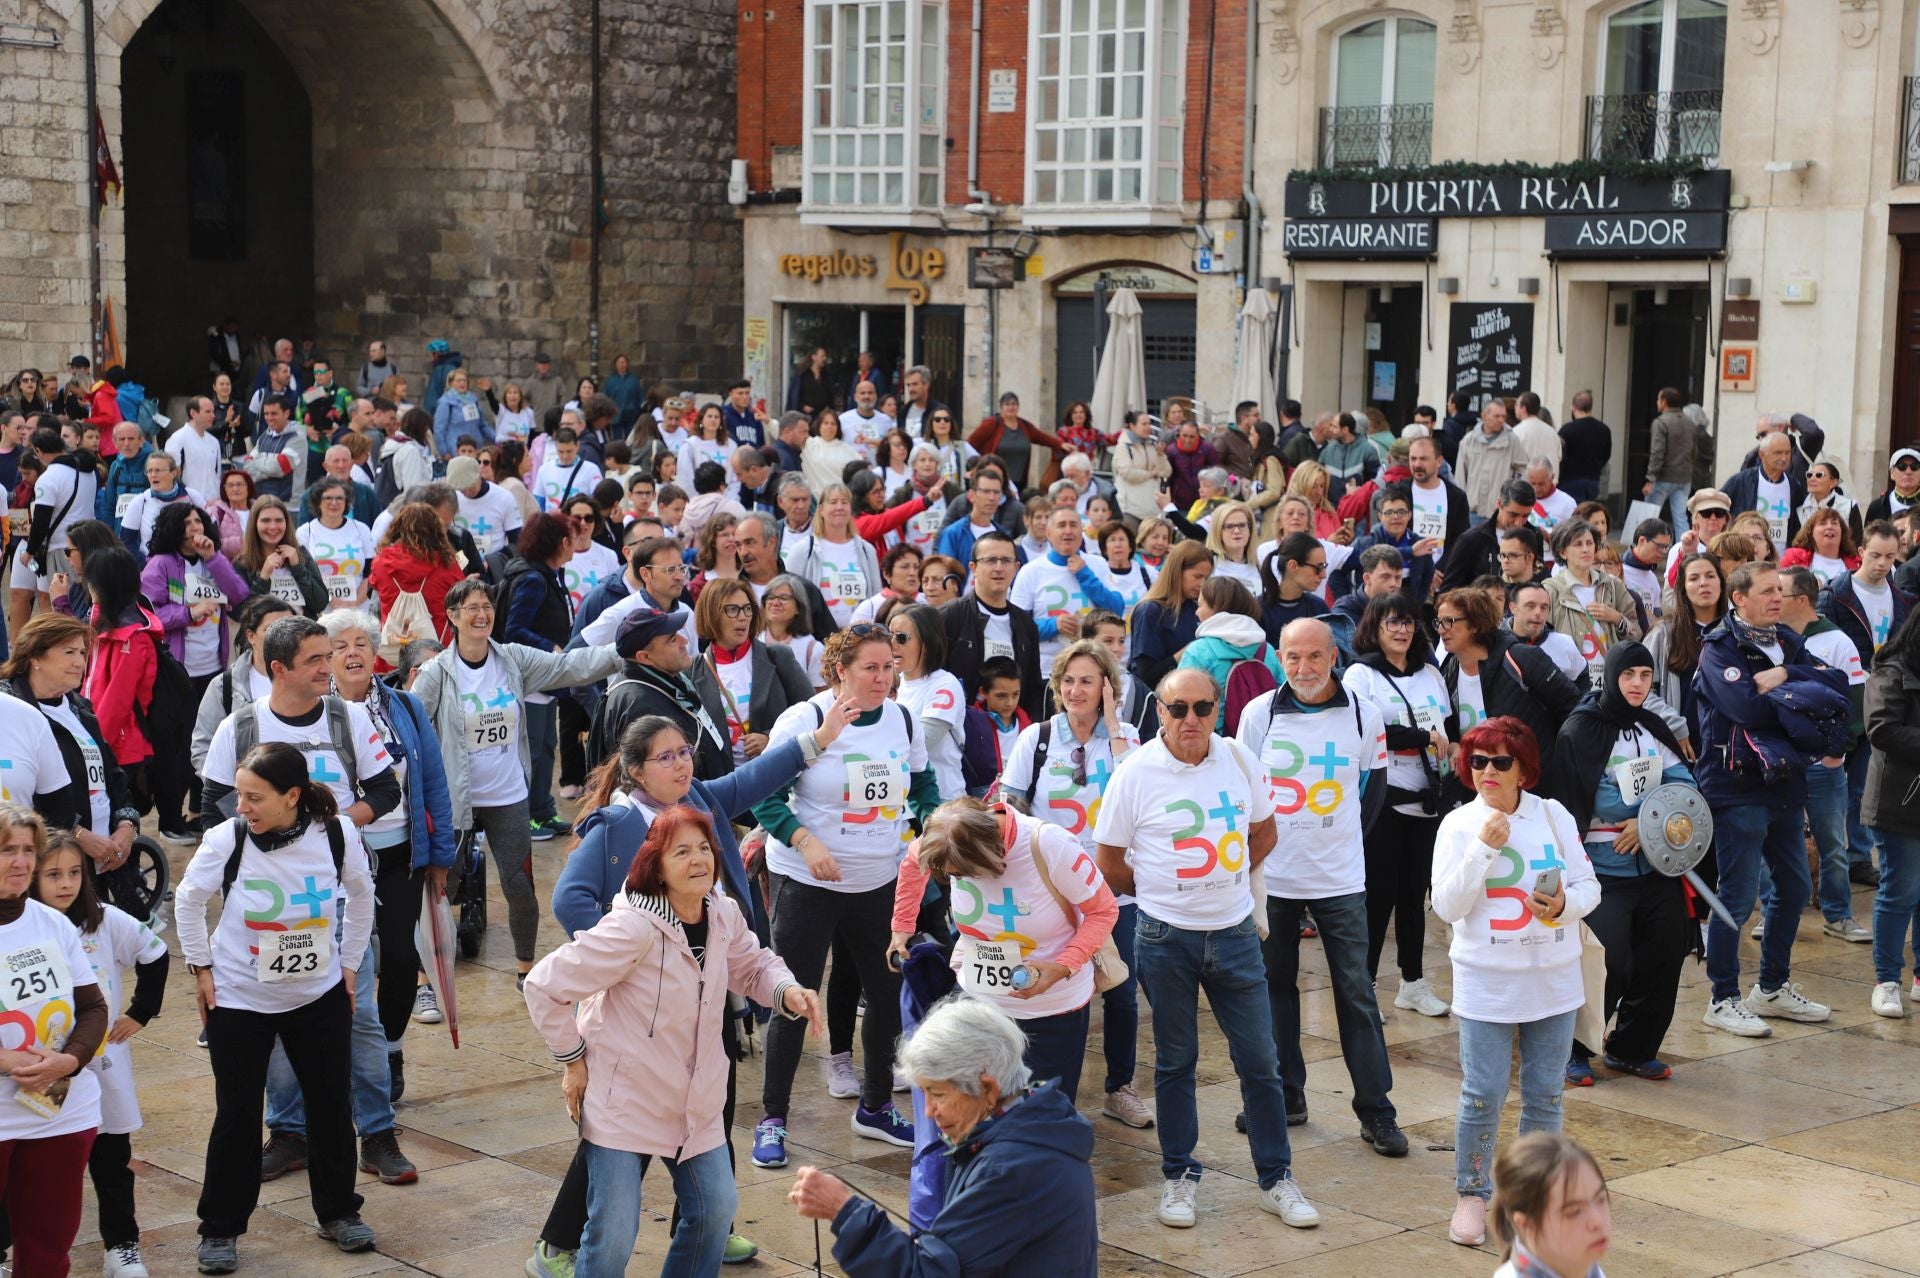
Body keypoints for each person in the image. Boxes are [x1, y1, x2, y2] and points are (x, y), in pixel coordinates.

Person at [524, 802, 821, 1278]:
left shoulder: (722, 914)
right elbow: (543, 985)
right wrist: (573, 1059)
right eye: (681, 851)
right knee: (613, 1233)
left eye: (704, 848)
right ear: (656, 867)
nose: (698, 859)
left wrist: (788, 990)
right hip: (625, 1101)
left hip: (696, 1101)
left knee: (714, 1211)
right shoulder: (631, 928)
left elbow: (753, 965)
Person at [1092, 666, 1320, 1229]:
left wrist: (1228, 878)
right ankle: (1178, 1177)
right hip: (1165, 937)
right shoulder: (1135, 773)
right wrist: (1163, 890)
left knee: (1261, 1062)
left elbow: (1265, 830)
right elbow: (1110, 860)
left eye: (1203, 708)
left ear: (1218, 710)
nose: (1191, 719)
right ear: (1160, 713)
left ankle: (1276, 1177)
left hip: (1236, 932)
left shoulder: (1240, 759)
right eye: (1178, 709)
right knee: (1175, 1062)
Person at [747, 626, 943, 1169]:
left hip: (878, 880)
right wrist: (804, 841)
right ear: (840, 671)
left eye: (890, 668)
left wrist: (931, 822)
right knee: (794, 996)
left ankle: (876, 1106)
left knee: (886, 994)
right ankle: (773, 1118)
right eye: (870, 669)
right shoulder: (807, 719)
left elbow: (922, 783)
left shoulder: (902, 719)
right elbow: (761, 791)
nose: (883, 679)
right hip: (805, 882)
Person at [177, 743, 377, 1273]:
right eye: (239, 794)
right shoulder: (229, 837)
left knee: (332, 1107)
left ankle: (338, 1213)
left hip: (318, 997)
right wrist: (201, 967)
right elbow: (187, 898)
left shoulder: (336, 834)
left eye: (254, 797)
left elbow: (361, 895)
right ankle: (219, 1229)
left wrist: (350, 963)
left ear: (292, 796)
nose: (242, 806)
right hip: (240, 999)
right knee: (238, 1116)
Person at [1237, 618, 1406, 1154]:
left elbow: (1372, 793)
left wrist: (1334, 841)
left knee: (1356, 992)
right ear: (1279, 659)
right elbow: (1244, 792)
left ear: (1333, 656)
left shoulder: (1363, 711)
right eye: (1292, 657)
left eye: (1314, 656)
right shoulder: (1258, 714)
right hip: (1276, 878)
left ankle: (1377, 1111)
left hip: (1339, 878)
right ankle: (1286, 1096)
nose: (1304, 668)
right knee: (1274, 988)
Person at [1431, 716, 1598, 1248]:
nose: (1488, 771)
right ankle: (1472, 1195)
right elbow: (1448, 906)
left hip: (1553, 980)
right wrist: (1483, 848)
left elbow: (1588, 884)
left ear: (1523, 769)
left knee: (1546, 1097)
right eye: (1478, 761)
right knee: (1482, 1095)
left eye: (1501, 761)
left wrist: (1564, 905)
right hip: (1487, 982)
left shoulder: (1553, 816)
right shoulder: (1458, 825)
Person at [410, 579, 625, 986]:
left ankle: (525, 971)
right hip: (454, 801)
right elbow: (413, 727)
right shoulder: (437, 673)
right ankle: (423, 979)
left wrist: (623, 650)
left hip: (507, 796)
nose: (481, 614)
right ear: (452, 617)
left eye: (487, 606)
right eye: (470, 607)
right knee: (440, 889)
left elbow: (568, 667)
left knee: (520, 885)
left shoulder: (512, 660)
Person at [788, 997, 1099, 1277]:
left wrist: (844, 1211)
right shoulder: (1028, 1126)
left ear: (987, 1088)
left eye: (937, 1094)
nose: (929, 1112)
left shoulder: (1012, 1167)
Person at [995, 637, 1150, 1122]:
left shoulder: (1126, 737)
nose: (1076, 690)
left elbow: (1141, 794)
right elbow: (1011, 805)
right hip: (1050, 891)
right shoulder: (1037, 738)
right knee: (1049, 989)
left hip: (1112, 887)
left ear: (1108, 686)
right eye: (1068, 680)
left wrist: (1112, 728)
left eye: (1088, 680)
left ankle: (1119, 1087)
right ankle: (1036, 1090)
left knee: (1122, 992)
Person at [1693, 562, 1845, 1037]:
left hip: (1784, 782)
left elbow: (1836, 688)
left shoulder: (1788, 643)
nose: (1777, 598)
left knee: (1796, 888)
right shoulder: (1719, 649)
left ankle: (1772, 988)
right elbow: (1745, 708)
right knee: (1736, 900)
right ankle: (1722, 998)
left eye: (1780, 590)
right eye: (1766, 591)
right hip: (1736, 787)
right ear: (1739, 598)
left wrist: (1785, 674)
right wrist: (1802, 702)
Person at [889, 797, 1118, 1104]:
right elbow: (912, 864)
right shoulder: (943, 836)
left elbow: (1103, 911)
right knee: (973, 1113)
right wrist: (902, 925)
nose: (957, 880)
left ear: (989, 854)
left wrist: (1064, 965)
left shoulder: (1049, 844)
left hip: (1051, 1008)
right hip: (978, 1003)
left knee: (1042, 1116)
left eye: (959, 874)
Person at [319, 609, 454, 1105]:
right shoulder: (313, 711)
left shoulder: (406, 707)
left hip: (401, 853)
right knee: (344, 962)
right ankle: (344, 1059)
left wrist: (441, 857)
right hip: (335, 858)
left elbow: (434, 782)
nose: (353, 653)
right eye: (340, 646)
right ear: (324, 658)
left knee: (399, 957)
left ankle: (391, 1050)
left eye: (361, 643)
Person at [1549, 643, 1695, 1088]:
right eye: (1628, 674)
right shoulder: (1581, 730)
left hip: (1654, 865)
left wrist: (1642, 821)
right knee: (1607, 961)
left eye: (1645, 676)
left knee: (1666, 952)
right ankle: (1572, 1049)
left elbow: (1685, 783)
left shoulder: (1651, 726)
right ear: (1610, 676)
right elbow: (1599, 798)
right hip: (1601, 868)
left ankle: (1632, 1048)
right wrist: (1653, 807)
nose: (1637, 684)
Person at [28, 829, 167, 1278]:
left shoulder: (104, 919)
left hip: (101, 1068)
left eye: (74, 872)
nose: (65, 883)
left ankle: (121, 1248)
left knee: (110, 1161)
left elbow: (156, 954)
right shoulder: (21, 928)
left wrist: (141, 1011)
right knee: (34, 1169)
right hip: (40, 1071)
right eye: (53, 874)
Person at [0, 807, 110, 1276]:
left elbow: (94, 1009)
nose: (21, 861)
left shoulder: (53, 923)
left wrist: (67, 1061)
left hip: (62, 1112)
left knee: (48, 1249)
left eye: (28, 849)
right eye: (7, 849)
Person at [1344, 592, 1455, 1017]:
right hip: (1384, 801)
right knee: (1378, 897)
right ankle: (1364, 984)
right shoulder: (1360, 675)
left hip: (1428, 798)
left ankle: (1413, 982)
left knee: (1414, 894)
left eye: (1408, 622)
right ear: (1375, 626)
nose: (1402, 630)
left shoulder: (1430, 673)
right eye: (1393, 622)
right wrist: (1420, 739)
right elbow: (1369, 730)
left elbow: (1444, 727)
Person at [1824, 520, 1910, 886]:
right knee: (1834, 782)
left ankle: (1858, 856)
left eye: (1890, 557)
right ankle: (1832, 857)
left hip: (1883, 699)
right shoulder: (1837, 593)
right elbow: (1826, 646)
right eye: (1875, 555)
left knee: (1864, 782)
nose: (1882, 563)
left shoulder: (1902, 597)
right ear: (1860, 552)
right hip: (1846, 697)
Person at [1435, 586, 1583, 791]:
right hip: (1480, 793)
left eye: (1448, 621)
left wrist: (1552, 763)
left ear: (1476, 624)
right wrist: (1455, 749)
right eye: (1439, 622)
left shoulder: (1522, 658)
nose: (1441, 629)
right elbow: (1449, 730)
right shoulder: (1447, 671)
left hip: (1533, 790)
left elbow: (1573, 708)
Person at [1864, 607, 1920, 1018]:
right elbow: (1880, 727)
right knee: (1900, 891)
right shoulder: (1892, 669)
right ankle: (1887, 980)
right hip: (1899, 800)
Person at [695, 576, 813, 770]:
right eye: (732, 609)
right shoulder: (693, 669)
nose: (743, 616)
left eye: (747, 608)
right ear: (711, 613)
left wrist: (771, 738)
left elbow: (811, 713)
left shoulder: (777, 657)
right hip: (721, 787)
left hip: (772, 781)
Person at [942, 531, 1045, 722]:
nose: (999, 568)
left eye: (1006, 561)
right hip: (961, 728)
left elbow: (1033, 689)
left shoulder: (1026, 625)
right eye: (990, 560)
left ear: (1016, 567)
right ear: (973, 567)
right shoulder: (951, 615)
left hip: (1011, 733)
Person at [1488, 1133, 1613, 1278]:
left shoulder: (1584, 1267)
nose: (1598, 1221)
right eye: (1574, 1212)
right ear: (1526, 1224)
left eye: (1600, 1200)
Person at [1176, 577, 1284, 732]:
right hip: (1261, 741)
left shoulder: (1199, 651)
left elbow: (1180, 702)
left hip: (1213, 746)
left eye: (1200, 605)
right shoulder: (1267, 650)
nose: (1196, 612)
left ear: (1216, 607)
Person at [1545, 519, 1642, 680]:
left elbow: (1636, 634)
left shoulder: (1613, 584)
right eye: (1578, 544)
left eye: (1590, 543)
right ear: (1562, 552)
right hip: (1570, 684)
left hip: (1610, 682)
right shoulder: (1551, 589)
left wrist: (1617, 618)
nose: (1586, 549)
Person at [368, 502, 465, 652]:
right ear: (436, 530)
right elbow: (460, 594)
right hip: (436, 649)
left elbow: (375, 586)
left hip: (394, 647)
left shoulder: (380, 562)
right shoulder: (447, 564)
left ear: (398, 528)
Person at [1127, 539, 1211, 691]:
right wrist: (1190, 650)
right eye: (1197, 576)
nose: (1203, 584)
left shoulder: (1196, 608)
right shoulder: (1149, 610)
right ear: (1177, 572)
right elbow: (1145, 676)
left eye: (1206, 578)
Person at [236, 495, 329, 618]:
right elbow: (243, 614)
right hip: (265, 635)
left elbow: (320, 604)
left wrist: (298, 568)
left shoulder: (301, 554)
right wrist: (263, 577)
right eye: (266, 520)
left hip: (302, 633)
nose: (273, 527)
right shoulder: (243, 563)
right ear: (254, 523)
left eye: (279, 520)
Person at [1557, 391, 1611, 505]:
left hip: (1570, 480)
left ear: (1574, 407)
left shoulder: (1567, 429)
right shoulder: (1604, 429)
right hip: (1593, 481)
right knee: (1588, 513)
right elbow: (1606, 456)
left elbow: (1559, 454)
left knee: (1572, 514)